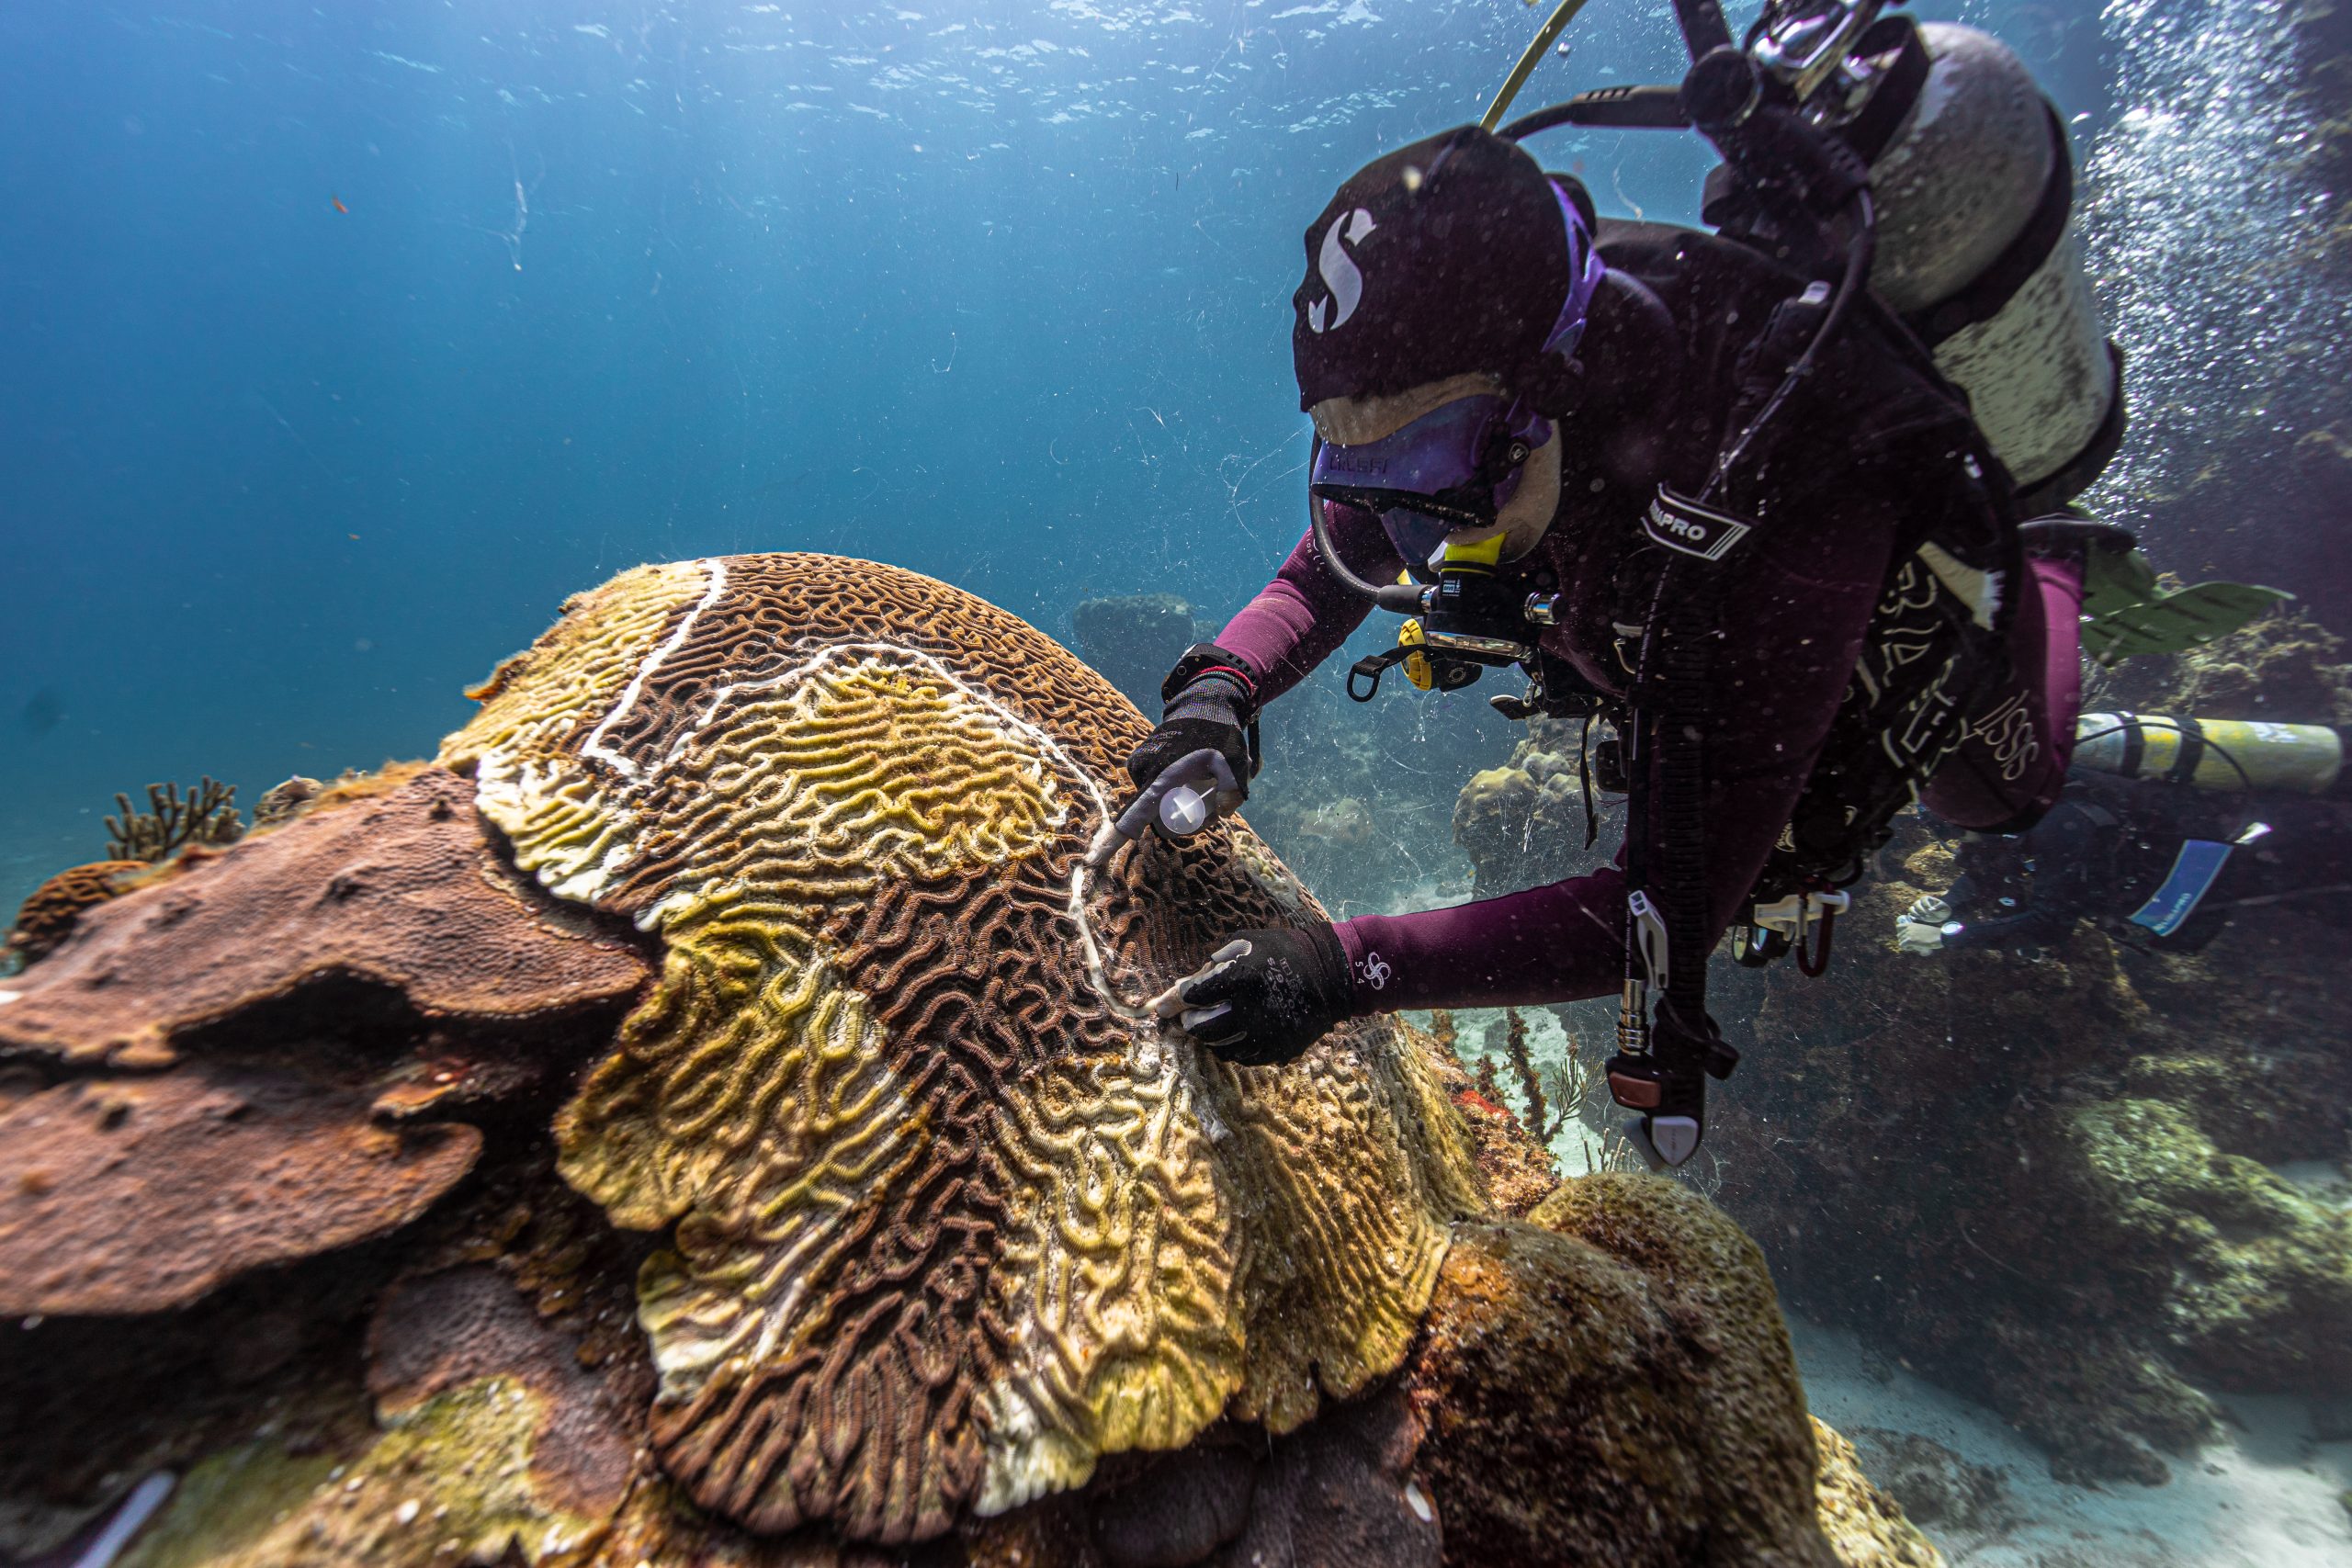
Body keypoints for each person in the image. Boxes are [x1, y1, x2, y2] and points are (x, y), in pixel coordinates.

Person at [1127, 124, 2094, 1074]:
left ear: (1558, 380)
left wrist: (1342, 969)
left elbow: (1669, 908)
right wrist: (1222, 685)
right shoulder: (1461, 416)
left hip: (1895, 641)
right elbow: (1321, 570)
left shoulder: (1795, 476)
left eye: (1431, 463)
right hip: (1651, 626)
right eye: (1357, 465)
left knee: (1994, 800)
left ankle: (2055, 562)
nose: (1415, 538)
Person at [1897, 766, 2352, 956]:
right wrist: (1949, 905)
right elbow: (1998, 867)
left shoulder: (2060, 822)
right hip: (2224, 884)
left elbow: (2051, 924)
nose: (1960, 846)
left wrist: (1948, 939)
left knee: (2328, 891)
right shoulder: (2024, 812)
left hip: (2246, 870)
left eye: (1956, 831)